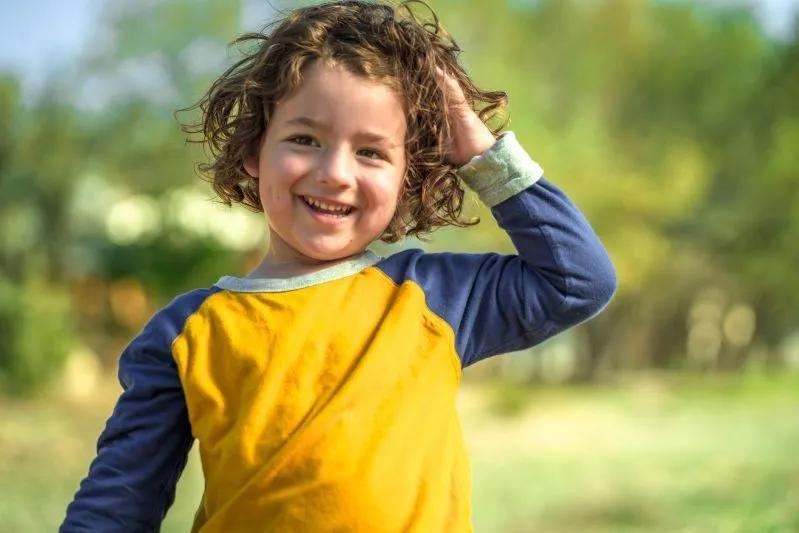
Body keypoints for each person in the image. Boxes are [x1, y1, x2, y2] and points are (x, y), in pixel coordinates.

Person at [61, 1, 616, 531]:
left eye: (371, 152)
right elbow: (116, 507)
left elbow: (578, 280)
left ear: (408, 175)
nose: (335, 173)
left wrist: (481, 153)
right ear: (254, 150)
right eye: (305, 139)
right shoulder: (186, 334)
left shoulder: (433, 300)